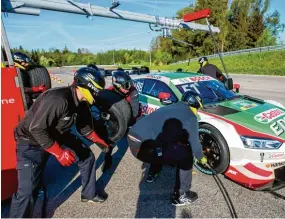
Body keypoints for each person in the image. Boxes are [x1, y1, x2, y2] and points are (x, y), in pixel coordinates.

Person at [9, 67, 111, 218]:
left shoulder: (82, 104)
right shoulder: (59, 99)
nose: (98, 93)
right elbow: (36, 129)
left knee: (87, 157)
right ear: (87, 86)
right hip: (31, 141)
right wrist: (58, 153)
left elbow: (85, 129)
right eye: (97, 89)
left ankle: (88, 194)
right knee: (28, 190)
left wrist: (102, 143)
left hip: (56, 135)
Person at [127, 91, 208, 206]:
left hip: (133, 138)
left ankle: (152, 173)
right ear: (195, 105)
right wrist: (201, 157)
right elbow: (195, 145)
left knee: (162, 142)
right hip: (146, 149)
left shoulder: (172, 107)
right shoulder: (191, 117)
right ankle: (181, 195)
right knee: (186, 157)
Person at [100, 71, 141, 172]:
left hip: (131, 119)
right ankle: (108, 159)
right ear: (117, 85)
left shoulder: (133, 92)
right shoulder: (109, 92)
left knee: (137, 137)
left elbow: (134, 113)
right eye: (125, 86)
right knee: (110, 142)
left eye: (129, 84)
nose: (128, 88)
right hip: (115, 120)